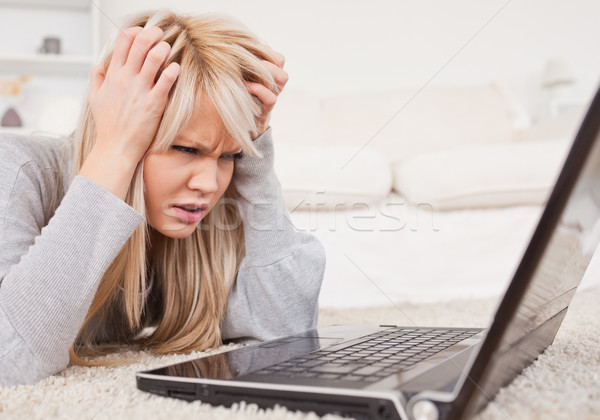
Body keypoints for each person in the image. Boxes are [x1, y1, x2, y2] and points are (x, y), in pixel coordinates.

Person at [0, 10, 325, 386]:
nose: (208, 183)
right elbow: (9, 357)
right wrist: (114, 150)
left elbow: (286, 334)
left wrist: (256, 161)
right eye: (186, 148)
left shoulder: (213, 213)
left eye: (229, 155)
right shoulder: (16, 169)